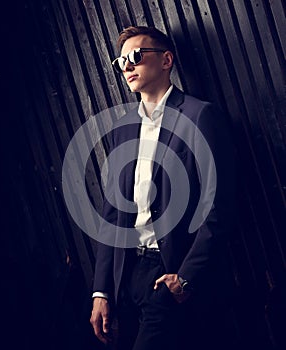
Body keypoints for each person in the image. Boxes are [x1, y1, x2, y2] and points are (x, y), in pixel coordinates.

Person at [90, 26, 237, 350]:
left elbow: (219, 202)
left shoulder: (200, 115)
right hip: (127, 276)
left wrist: (186, 276)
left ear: (166, 60)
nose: (127, 66)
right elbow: (113, 211)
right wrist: (101, 291)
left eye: (136, 56)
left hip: (169, 273)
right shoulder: (123, 128)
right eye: (121, 62)